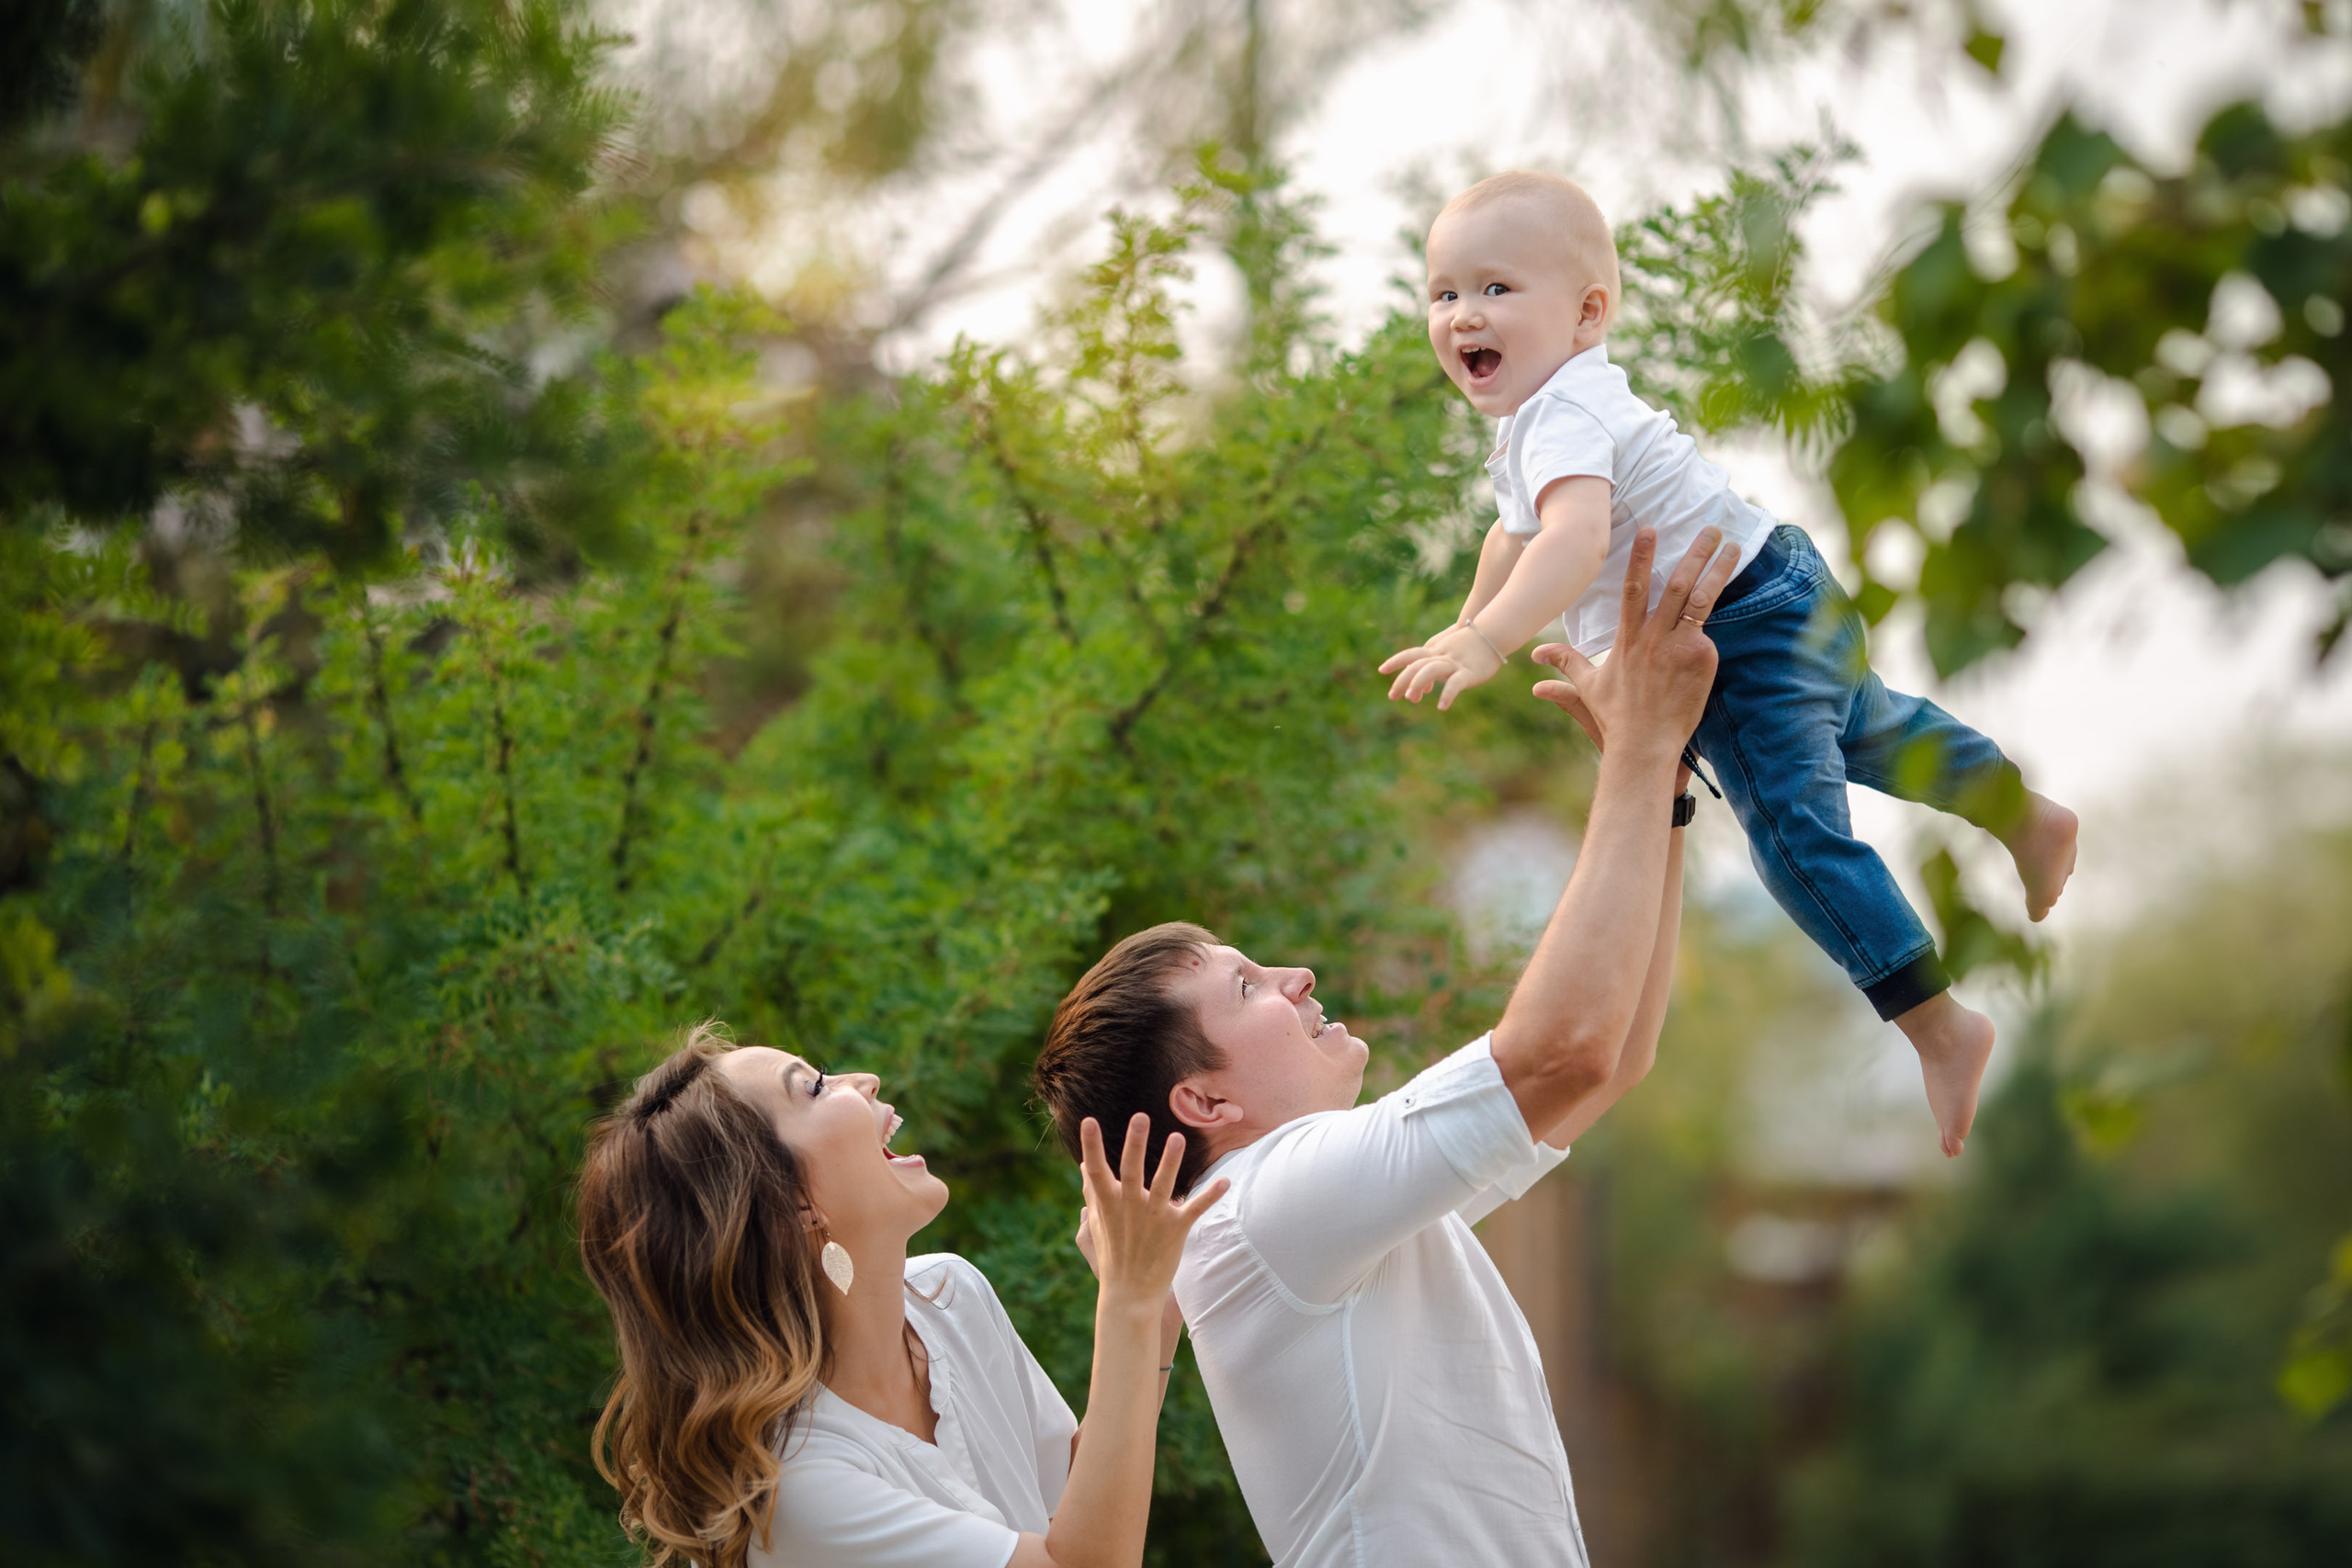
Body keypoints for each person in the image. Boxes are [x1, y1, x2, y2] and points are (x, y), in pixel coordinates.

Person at [1032, 530, 1736, 1568]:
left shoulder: (1309, 1212)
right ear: (1205, 1105)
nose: (1296, 978)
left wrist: (1661, 780)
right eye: (1247, 986)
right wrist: (1635, 753)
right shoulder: (1265, 1206)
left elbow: (1609, 1057)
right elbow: (1563, 1055)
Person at [1377, 170, 2079, 1156]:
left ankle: (1937, 1024)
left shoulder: (1563, 420)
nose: (1460, 317)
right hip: (1782, 580)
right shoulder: (1547, 412)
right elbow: (1513, 537)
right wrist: (1466, 625)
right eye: (1442, 294)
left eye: (1495, 290)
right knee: (1873, 727)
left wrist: (1486, 640)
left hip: (1736, 638)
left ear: (1587, 314)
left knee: (1793, 834)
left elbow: (1570, 543)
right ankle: (2022, 813)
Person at [576, 1023, 1226, 1568]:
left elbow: (1070, 1498)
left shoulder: (951, 1294)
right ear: (789, 1204)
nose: (865, 1081)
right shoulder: (798, 1491)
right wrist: (1127, 1308)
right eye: (816, 1086)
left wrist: (1154, 1310)